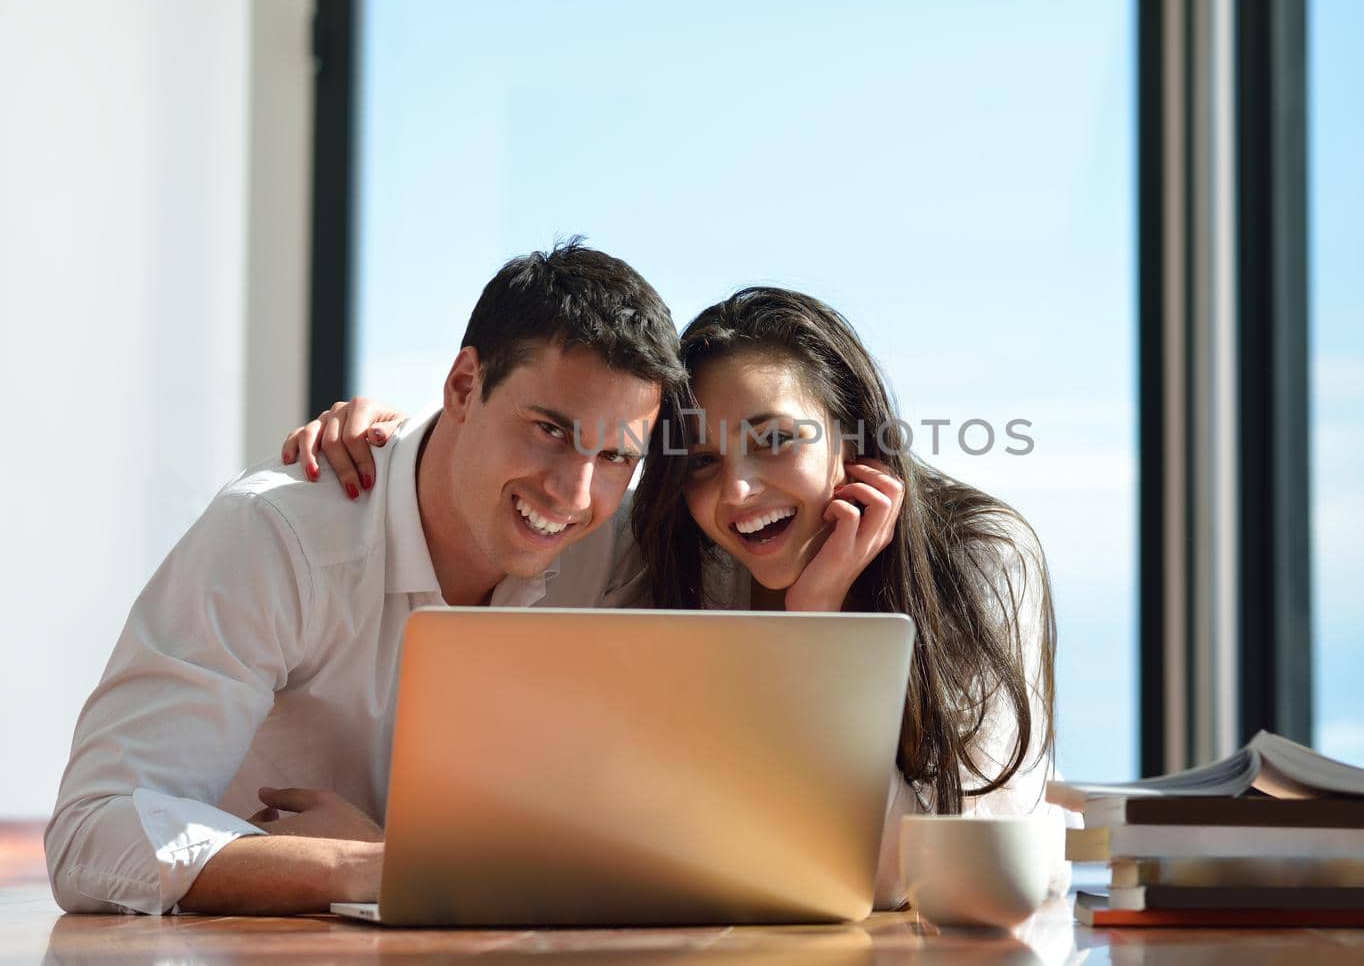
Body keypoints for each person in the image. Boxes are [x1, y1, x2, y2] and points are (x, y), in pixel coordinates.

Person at [291, 287, 1062, 906]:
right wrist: (388, 439)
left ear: (853, 436)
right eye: (700, 461)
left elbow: (947, 873)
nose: (738, 491)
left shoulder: (980, 560)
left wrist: (814, 628)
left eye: (775, 439)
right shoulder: (689, 562)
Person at [46, 241, 685, 915]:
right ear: (464, 386)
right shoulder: (277, 535)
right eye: (551, 430)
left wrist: (397, 859)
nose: (575, 493)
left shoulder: (617, 556)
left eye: (616, 455)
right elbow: (91, 839)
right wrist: (361, 868)